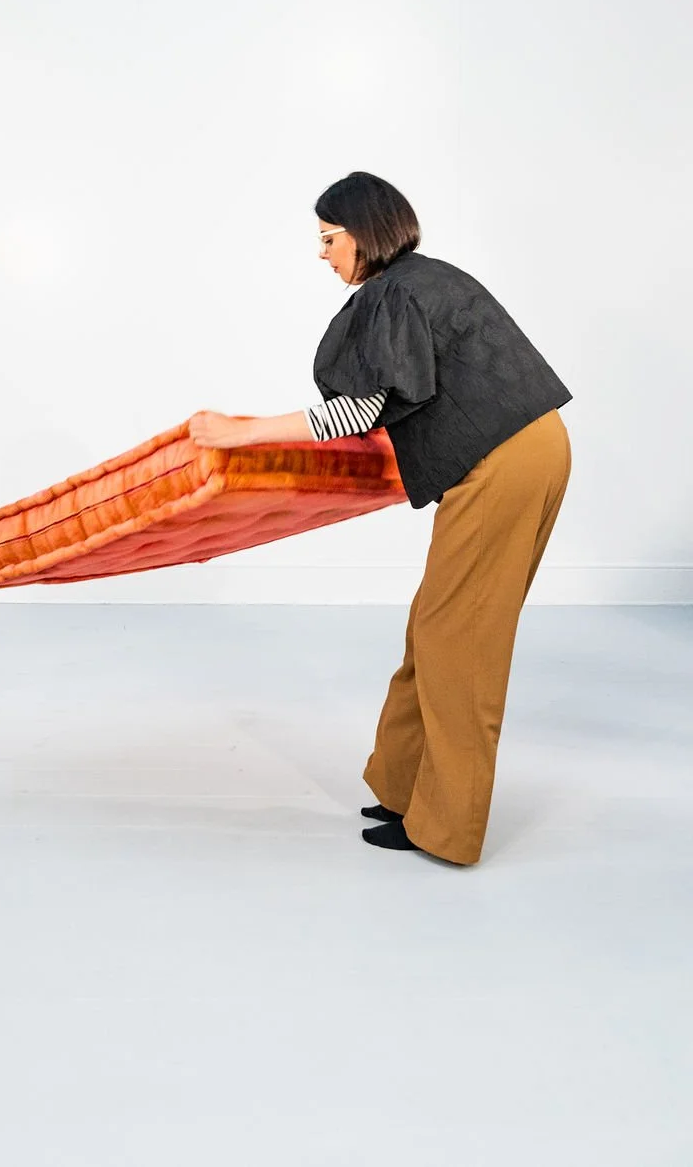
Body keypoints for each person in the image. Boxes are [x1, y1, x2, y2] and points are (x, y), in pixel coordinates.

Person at [189, 171, 572, 866]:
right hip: (522, 448)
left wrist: (242, 432)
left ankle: (446, 829)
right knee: (436, 625)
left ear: (362, 233)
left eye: (328, 238)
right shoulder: (419, 282)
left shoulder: (394, 293)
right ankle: (401, 791)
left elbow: (360, 411)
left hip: (506, 460)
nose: (322, 253)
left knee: (460, 644)